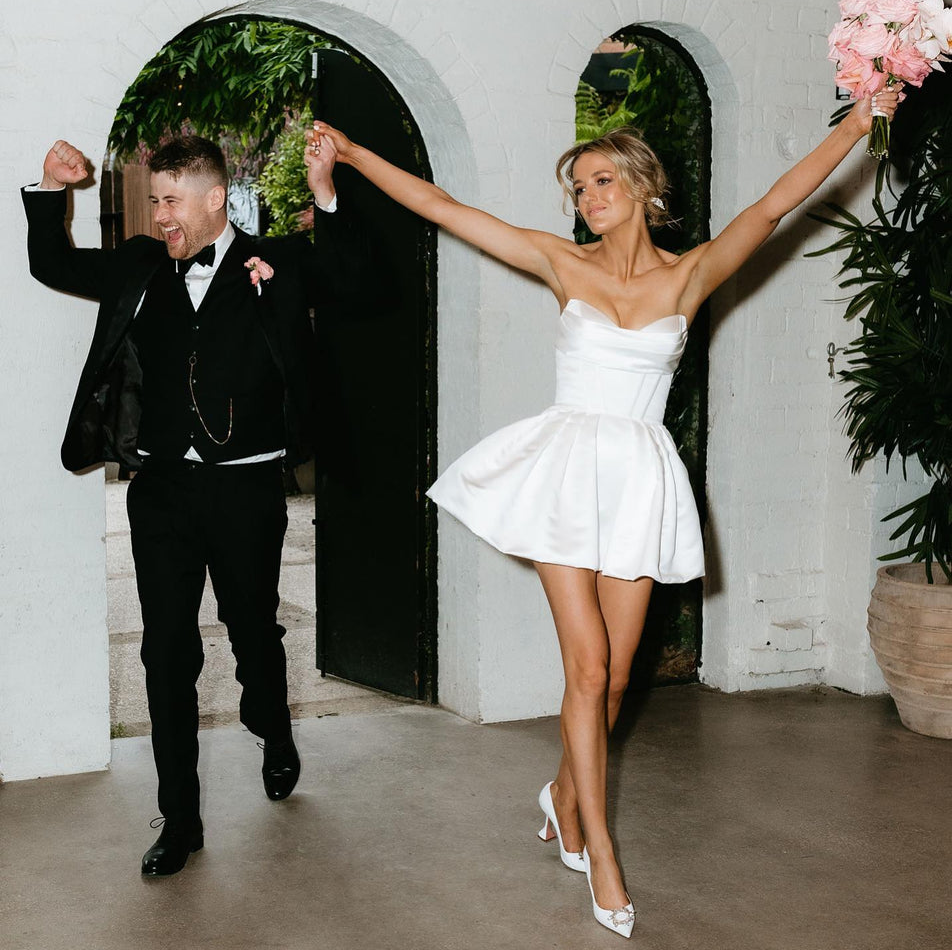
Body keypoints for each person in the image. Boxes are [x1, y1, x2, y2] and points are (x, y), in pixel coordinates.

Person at [310, 84, 901, 938]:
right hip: (562, 475)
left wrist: (859, 120)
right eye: (579, 188)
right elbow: (445, 206)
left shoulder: (692, 272)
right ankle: (602, 851)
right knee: (586, 669)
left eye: (601, 183)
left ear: (643, 188)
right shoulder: (563, 262)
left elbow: (776, 203)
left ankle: (559, 790)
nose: (587, 200)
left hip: (638, 480)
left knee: (617, 679)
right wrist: (358, 157)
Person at [23, 131, 375, 877]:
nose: (160, 215)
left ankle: (272, 730)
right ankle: (180, 820)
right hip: (162, 492)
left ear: (216, 199)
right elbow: (51, 262)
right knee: (165, 652)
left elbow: (356, 280)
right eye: (155, 200)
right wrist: (50, 188)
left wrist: (325, 195)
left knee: (253, 633)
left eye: (172, 200)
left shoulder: (273, 260)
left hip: (246, 487)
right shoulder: (140, 265)